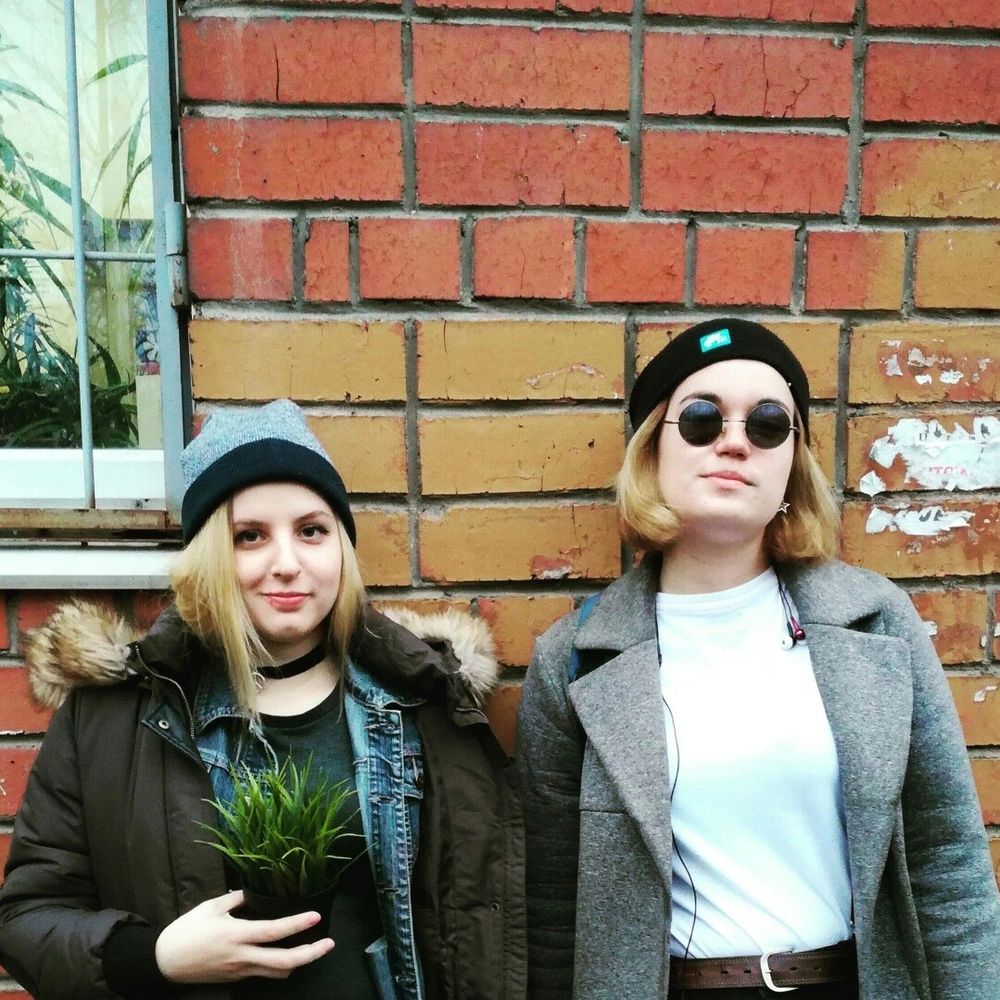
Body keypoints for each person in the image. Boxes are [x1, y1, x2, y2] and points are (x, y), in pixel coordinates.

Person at [516, 318, 1000, 1000]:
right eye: (702, 419)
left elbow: (947, 864)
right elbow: (552, 911)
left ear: (791, 463)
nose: (735, 441)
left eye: (769, 423)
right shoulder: (576, 661)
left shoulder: (877, 624)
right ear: (652, 452)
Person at [0, 398, 526, 1000]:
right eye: (249, 536)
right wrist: (156, 956)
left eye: (311, 531)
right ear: (209, 560)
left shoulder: (424, 702)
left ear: (341, 547)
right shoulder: (115, 717)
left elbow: (490, 924)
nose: (287, 564)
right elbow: (26, 920)